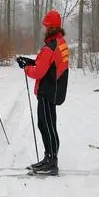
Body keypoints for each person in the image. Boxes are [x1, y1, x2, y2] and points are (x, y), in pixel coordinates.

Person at [16, 10, 69, 175]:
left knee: (47, 125)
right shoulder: (60, 42)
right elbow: (47, 64)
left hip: (48, 91)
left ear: (50, 27)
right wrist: (31, 61)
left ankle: (51, 161)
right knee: (47, 124)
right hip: (54, 89)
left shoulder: (50, 46)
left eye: (46, 25)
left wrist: (26, 67)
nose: (44, 28)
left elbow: (38, 72)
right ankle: (49, 158)